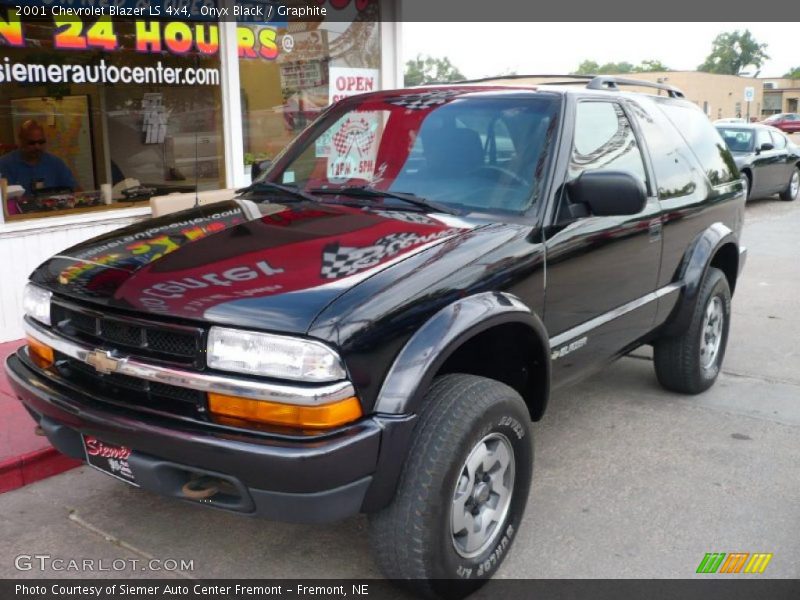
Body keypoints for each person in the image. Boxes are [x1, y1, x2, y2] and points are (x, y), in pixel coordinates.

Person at [0, 120, 77, 195]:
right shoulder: (4, 165)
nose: (37, 147)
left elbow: (74, 190)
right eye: (31, 143)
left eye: (41, 142)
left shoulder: (56, 163)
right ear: (20, 141)